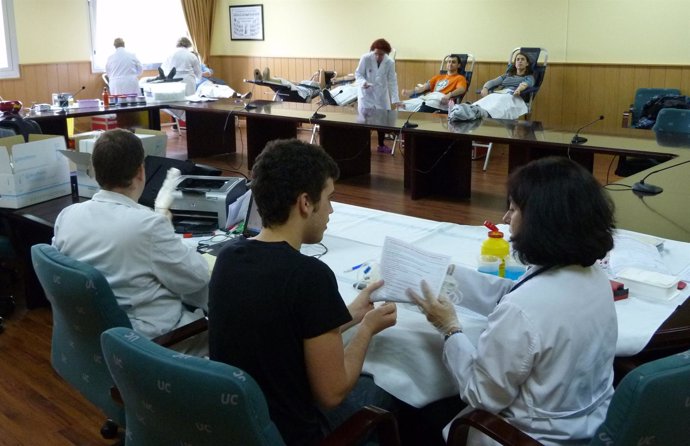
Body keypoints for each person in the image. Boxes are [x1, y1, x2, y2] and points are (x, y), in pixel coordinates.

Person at [407, 156, 617, 445]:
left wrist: (450, 329)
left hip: (526, 437)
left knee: (419, 414)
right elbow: (516, 291)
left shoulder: (523, 310)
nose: (505, 218)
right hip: (592, 424)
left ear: (541, 222)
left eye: (514, 209)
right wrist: (451, 276)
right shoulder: (594, 276)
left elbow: (481, 395)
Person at [208, 138, 398, 446]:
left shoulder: (229, 258)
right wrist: (367, 329)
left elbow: (285, 331)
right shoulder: (309, 276)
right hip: (293, 433)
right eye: (329, 198)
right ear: (305, 203)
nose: (332, 210)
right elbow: (332, 393)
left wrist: (350, 314)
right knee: (389, 393)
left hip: (240, 424)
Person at [52, 129, 209, 356]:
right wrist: (171, 234)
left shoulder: (67, 216)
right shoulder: (148, 225)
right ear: (140, 171)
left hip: (98, 335)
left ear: (94, 171)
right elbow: (195, 278)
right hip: (156, 341)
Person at [449, 51, 535, 121]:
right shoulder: (508, 75)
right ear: (515, 63)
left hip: (513, 96)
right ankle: (468, 109)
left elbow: (525, 84)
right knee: (485, 100)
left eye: (522, 59)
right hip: (499, 94)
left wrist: (518, 90)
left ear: (527, 63)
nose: (519, 61)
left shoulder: (529, 77)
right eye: (517, 59)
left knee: (495, 104)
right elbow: (493, 82)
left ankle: (474, 112)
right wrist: (485, 88)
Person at [355, 38, 402, 153]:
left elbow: (392, 81)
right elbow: (358, 74)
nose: (378, 57)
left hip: (381, 95)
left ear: (386, 53)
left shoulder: (390, 62)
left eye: (381, 54)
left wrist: (395, 100)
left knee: (382, 121)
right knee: (364, 121)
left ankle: (381, 145)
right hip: (366, 95)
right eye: (375, 53)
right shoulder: (365, 58)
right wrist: (363, 83)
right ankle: (363, 146)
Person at [401, 55, 468, 113]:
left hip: (442, 99)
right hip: (429, 97)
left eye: (453, 62)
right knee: (401, 105)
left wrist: (449, 95)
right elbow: (423, 88)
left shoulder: (460, 78)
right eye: (449, 62)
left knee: (423, 108)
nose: (450, 64)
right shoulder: (438, 77)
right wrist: (411, 92)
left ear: (458, 65)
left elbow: (461, 89)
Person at [252, 67, 328, 102]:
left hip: (300, 94)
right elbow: (295, 83)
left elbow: (323, 85)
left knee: (284, 83)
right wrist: (313, 76)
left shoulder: (317, 85)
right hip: (296, 89)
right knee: (281, 85)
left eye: (318, 76)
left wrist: (321, 71)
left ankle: (269, 80)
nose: (316, 76)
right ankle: (264, 80)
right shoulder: (305, 82)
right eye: (316, 75)